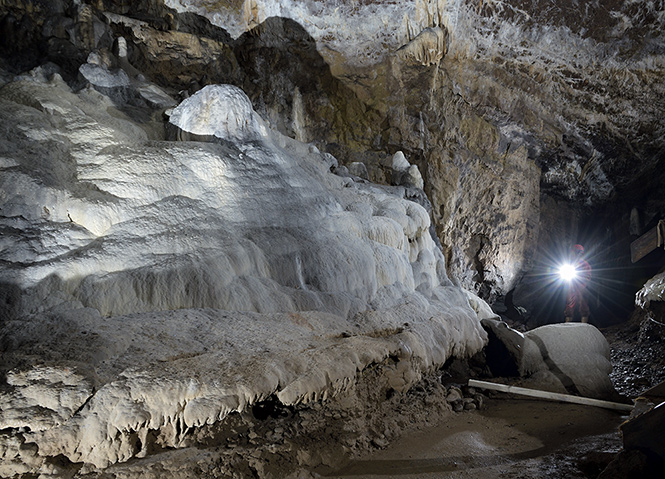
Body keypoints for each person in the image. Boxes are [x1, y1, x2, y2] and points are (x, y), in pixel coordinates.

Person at [564, 244, 592, 323]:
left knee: (583, 304)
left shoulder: (585, 265)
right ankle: (567, 325)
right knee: (569, 305)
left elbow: (588, 276)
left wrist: (583, 283)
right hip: (571, 285)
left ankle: (584, 325)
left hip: (582, 286)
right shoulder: (569, 264)